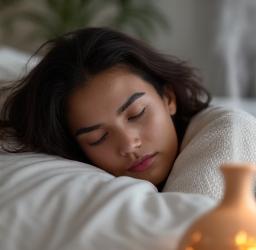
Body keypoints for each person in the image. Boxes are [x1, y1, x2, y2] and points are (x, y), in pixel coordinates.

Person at [0, 27, 211, 191]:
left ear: (168, 98)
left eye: (137, 114)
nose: (129, 144)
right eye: (98, 138)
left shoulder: (219, 134)